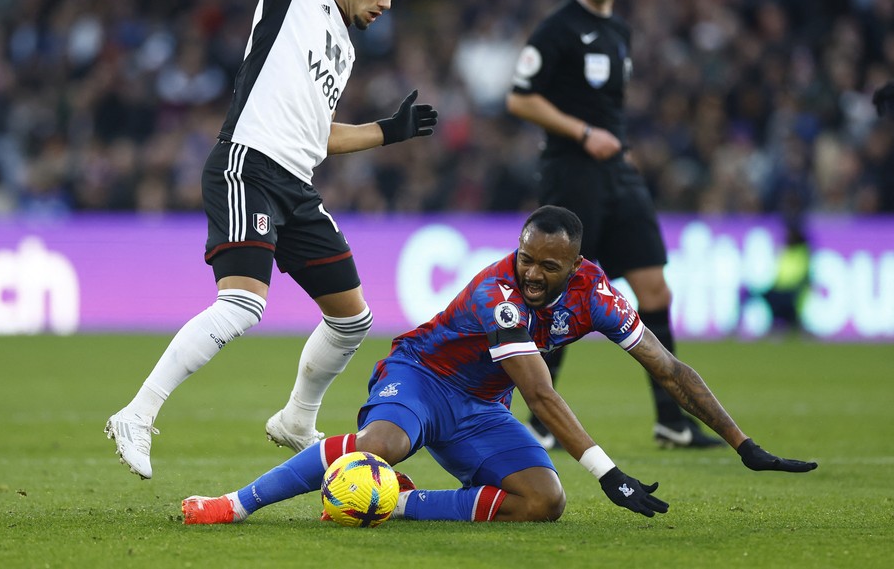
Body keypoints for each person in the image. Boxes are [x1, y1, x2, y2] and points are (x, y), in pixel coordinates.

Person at [105, 0, 438, 479]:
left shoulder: (344, 45)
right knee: (241, 304)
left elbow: (320, 135)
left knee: (352, 317)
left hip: (295, 184)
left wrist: (389, 131)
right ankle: (137, 412)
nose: (387, 4)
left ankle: (294, 419)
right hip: (248, 164)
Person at [180, 206, 817, 525]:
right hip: (423, 377)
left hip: (482, 407)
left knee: (543, 502)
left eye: (549, 267)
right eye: (527, 259)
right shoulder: (499, 293)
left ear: (575, 266)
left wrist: (743, 443)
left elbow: (670, 370)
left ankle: (397, 507)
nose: (533, 275)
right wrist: (609, 472)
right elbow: (541, 396)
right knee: (382, 447)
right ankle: (233, 505)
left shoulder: (598, 296)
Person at [506, 0, 718, 449]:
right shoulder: (557, 29)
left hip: (617, 173)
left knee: (655, 291)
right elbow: (519, 99)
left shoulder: (619, 29)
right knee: (557, 295)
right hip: (572, 172)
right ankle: (537, 421)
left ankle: (672, 420)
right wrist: (582, 133)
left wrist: (613, 145)